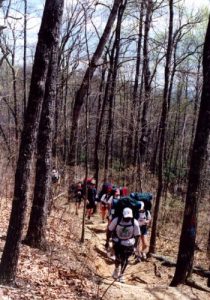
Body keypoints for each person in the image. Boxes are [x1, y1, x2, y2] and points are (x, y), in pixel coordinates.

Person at [105, 207, 140, 283]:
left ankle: (121, 274)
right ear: (122, 215)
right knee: (118, 258)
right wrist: (107, 241)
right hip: (118, 242)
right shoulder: (116, 220)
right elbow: (109, 230)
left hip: (129, 243)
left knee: (125, 259)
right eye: (126, 217)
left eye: (129, 217)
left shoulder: (135, 222)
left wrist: (135, 247)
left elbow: (137, 235)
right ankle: (116, 268)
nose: (127, 219)